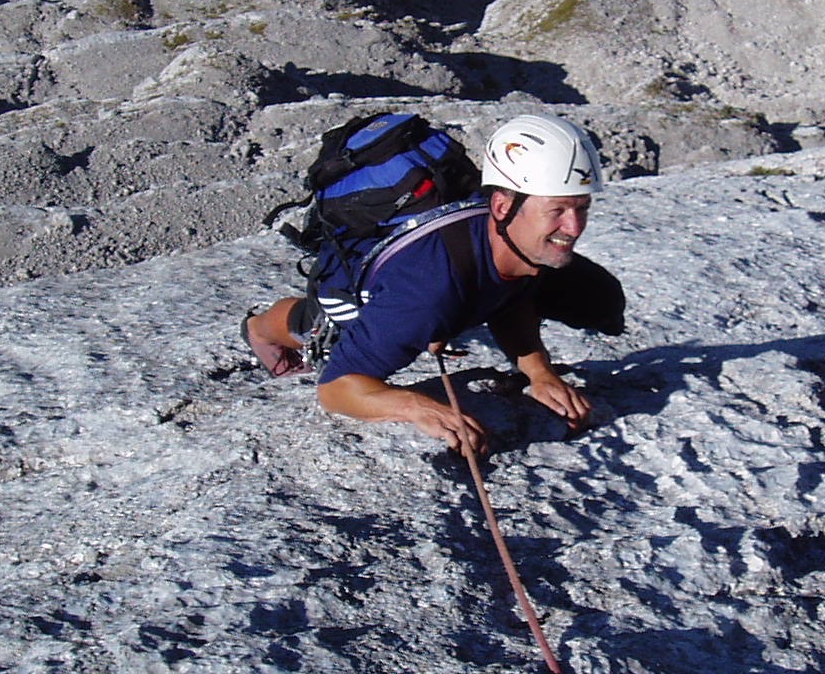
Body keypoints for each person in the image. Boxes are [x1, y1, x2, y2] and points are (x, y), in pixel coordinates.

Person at [242, 114, 606, 458]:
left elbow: (511, 297)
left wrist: (539, 372)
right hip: (365, 284)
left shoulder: (523, 241)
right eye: (557, 210)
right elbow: (337, 388)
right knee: (320, 322)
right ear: (501, 205)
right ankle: (258, 329)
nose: (574, 228)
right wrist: (417, 407)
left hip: (430, 282)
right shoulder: (426, 295)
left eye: (582, 209)